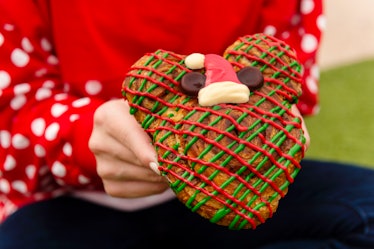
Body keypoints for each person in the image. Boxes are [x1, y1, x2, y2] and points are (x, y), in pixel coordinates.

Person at [0, 0, 373, 248]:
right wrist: (85, 135)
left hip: (237, 185)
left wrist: (277, 125)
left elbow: (284, 76)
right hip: (73, 203)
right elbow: (17, 112)